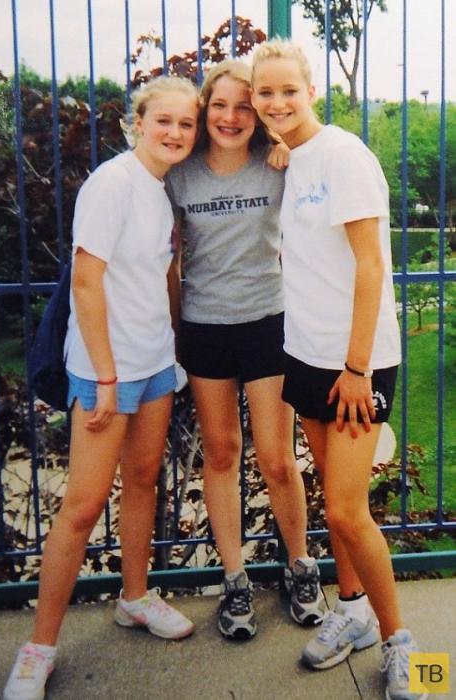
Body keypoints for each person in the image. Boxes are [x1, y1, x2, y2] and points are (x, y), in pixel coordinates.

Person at [3, 75, 200, 700]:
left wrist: (174, 351)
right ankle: (38, 649)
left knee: (142, 481)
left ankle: (134, 597)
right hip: (103, 370)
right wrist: (107, 378)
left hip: (156, 362)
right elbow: (87, 283)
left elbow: (162, 279)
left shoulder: (163, 191)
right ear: (137, 123)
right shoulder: (111, 184)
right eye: (163, 120)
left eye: (186, 124)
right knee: (84, 506)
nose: (174, 132)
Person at [251, 38, 427, 700]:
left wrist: (356, 368)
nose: (276, 102)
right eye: (265, 93)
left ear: (311, 91)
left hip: (358, 362)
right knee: (333, 497)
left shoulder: (344, 155)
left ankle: (405, 648)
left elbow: (371, 264)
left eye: (288, 91)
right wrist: (278, 149)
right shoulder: (291, 159)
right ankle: (351, 611)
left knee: (350, 511)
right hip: (305, 354)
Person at [165, 59, 325, 642]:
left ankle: (300, 568)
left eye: (242, 106)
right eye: (219, 105)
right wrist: (175, 334)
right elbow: (167, 258)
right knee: (222, 454)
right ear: (205, 110)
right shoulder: (178, 175)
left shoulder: (278, 164)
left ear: (256, 113)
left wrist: (282, 144)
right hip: (205, 328)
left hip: (267, 324)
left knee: (278, 458)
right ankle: (234, 581)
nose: (231, 117)